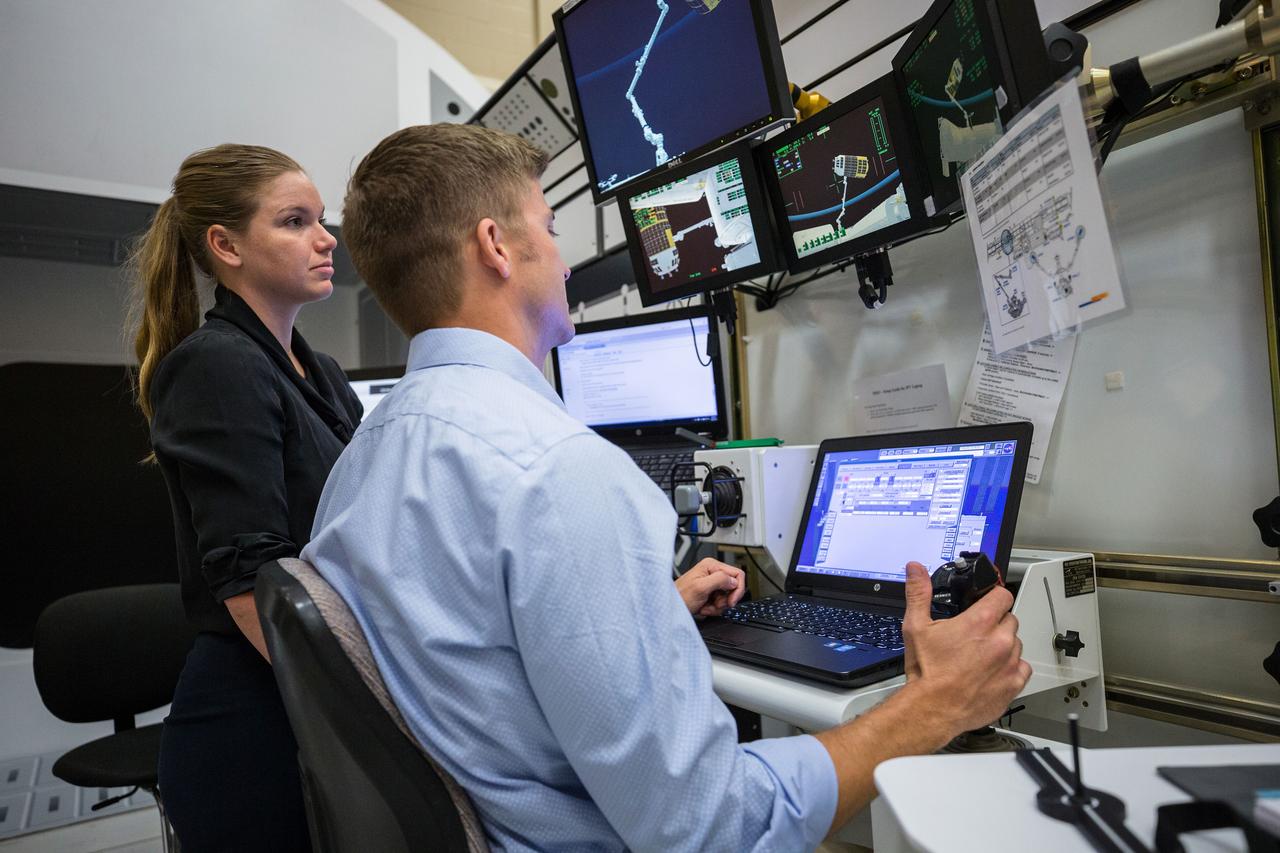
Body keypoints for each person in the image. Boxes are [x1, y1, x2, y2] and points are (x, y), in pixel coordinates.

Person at [302, 123, 1031, 852]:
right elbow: (713, 827)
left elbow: (468, 653)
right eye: (551, 229)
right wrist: (931, 706)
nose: (559, 258)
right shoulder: (558, 471)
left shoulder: (360, 461)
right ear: (496, 246)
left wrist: (642, 613)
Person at [128, 144, 362, 852]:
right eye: (294, 221)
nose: (325, 239)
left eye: (323, 220)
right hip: (257, 725)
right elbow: (251, 585)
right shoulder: (216, 366)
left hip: (309, 697)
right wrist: (374, 705)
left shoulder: (316, 369)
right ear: (225, 245)